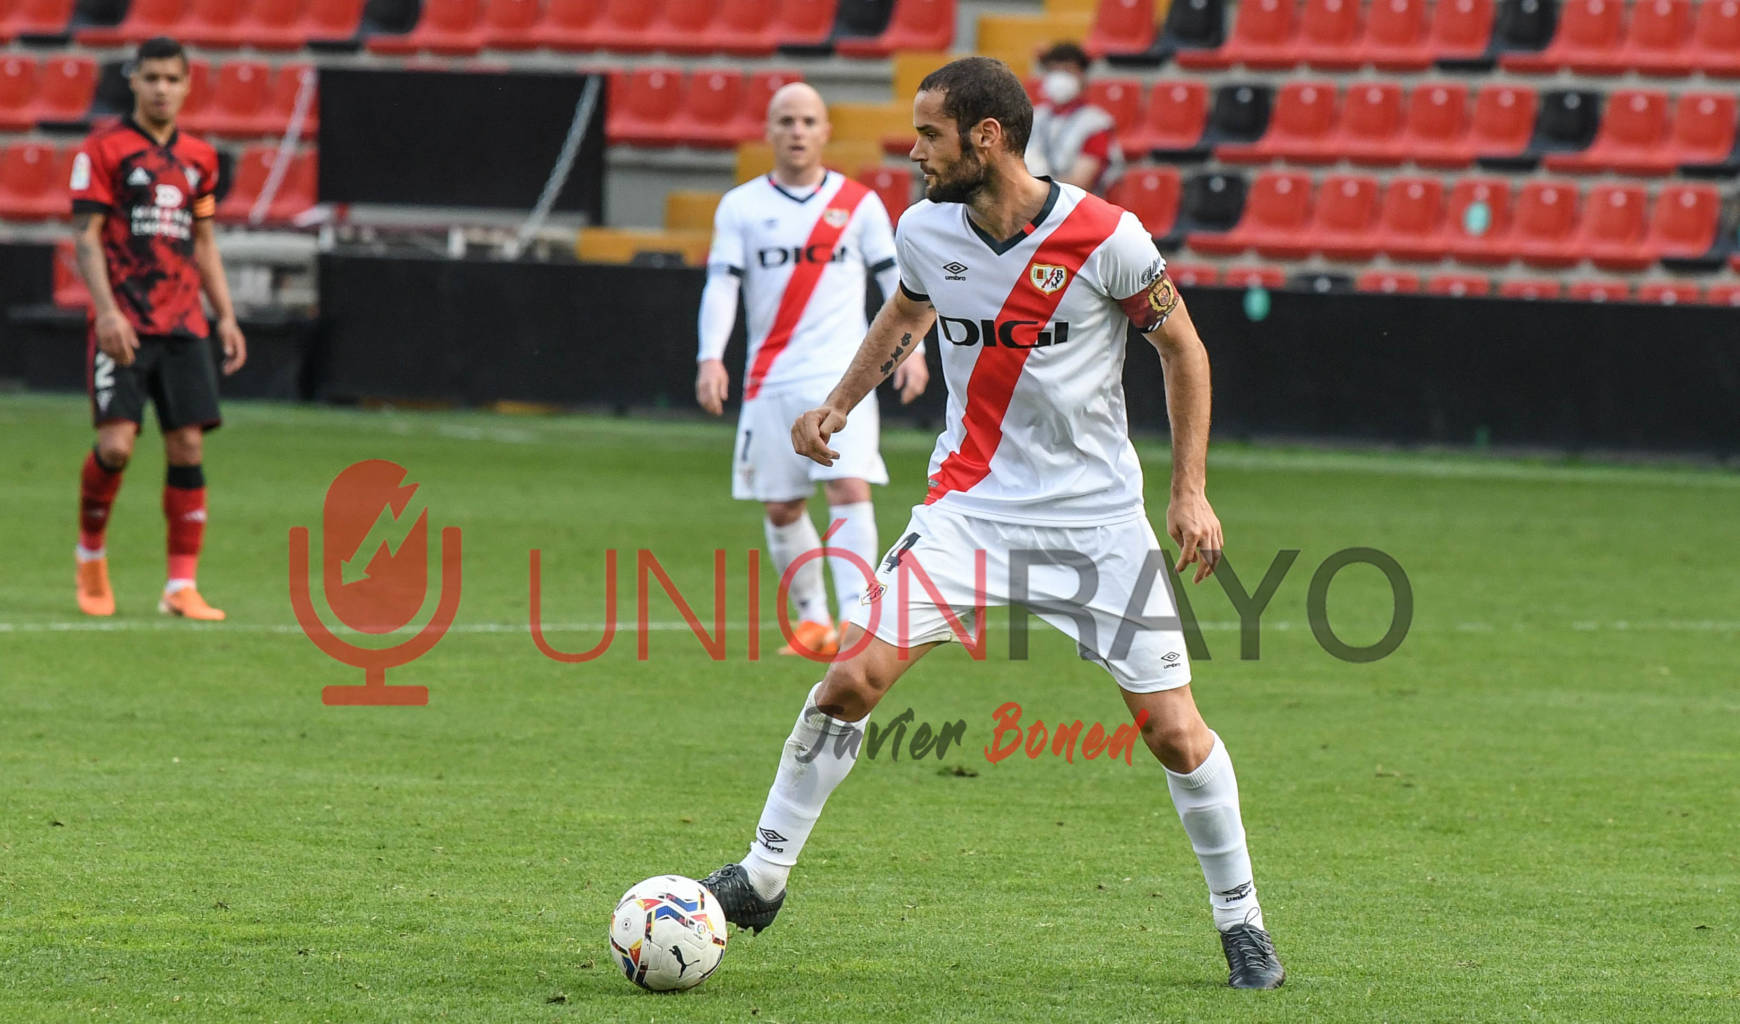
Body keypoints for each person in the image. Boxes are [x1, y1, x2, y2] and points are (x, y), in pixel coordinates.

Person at [700, 57, 1285, 990]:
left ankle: (1242, 922)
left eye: (929, 133)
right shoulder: (926, 230)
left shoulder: (1108, 236)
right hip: (969, 509)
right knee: (850, 678)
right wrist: (842, 404)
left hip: (1097, 526)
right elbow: (906, 309)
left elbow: (1183, 348)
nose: (913, 149)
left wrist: (1190, 491)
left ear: (986, 136)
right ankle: (763, 875)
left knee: (1174, 733)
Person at [695, 82, 929, 657]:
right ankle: (811, 621)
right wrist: (709, 356)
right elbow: (721, 286)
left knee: (849, 485)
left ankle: (854, 620)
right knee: (782, 504)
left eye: (807, 121)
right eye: (786, 121)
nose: (797, 131)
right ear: (769, 131)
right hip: (769, 376)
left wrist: (914, 351)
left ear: (825, 131)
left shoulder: (858, 204)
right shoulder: (742, 207)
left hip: (845, 379)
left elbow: (899, 286)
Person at [70, 36, 246, 621]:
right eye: (152, 78)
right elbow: (86, 239)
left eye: (172, 79)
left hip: (184, 320)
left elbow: (203, 242)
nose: (162, 89)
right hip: (124, 320)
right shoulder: (105, 149)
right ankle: (90, 554)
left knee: (188, 444)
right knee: (116, 446)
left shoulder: (200, 157)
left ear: (187, 84)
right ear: (134, 82)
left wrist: (225, 314)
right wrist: (108, 311)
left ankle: (180, 586)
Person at [1024, 41, 1124, 195]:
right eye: (1053, 71)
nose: (1059, 78)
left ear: (1082, 76)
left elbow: (1080, 183)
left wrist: (1029, 184)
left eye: (1067, 71)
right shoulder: (1033, 117)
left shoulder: (1096, 124)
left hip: (1077, 210)